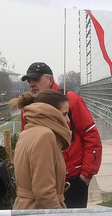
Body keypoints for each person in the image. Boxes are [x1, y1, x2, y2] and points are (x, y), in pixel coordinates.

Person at [22, 62, 102, 208]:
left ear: (50, 79)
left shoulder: (72, 100)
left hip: (73, 180)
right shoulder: (28, 109)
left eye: (36, 79)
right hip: (43, 183)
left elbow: (91, 136)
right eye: (29, 81)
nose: (32, 84)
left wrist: (86, 175)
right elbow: (27, 144)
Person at [10, 90, 71, 210]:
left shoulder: (28, 132)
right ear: (51, 113)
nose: (68, 120)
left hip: (26, 211)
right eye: (64, 114)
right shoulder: (45, 136)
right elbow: (45, 193)